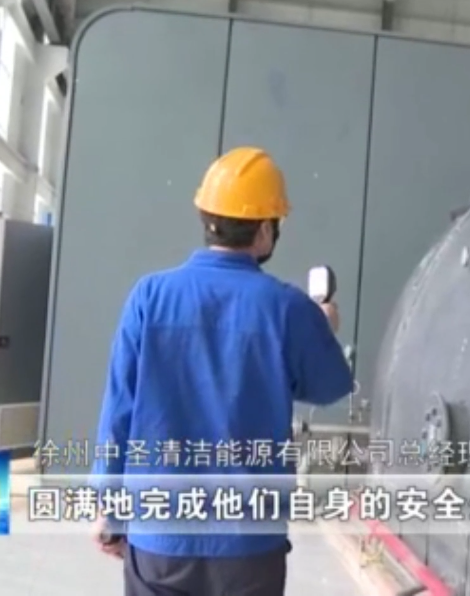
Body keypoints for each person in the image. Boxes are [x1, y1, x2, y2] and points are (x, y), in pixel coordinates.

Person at [89, 146, 355, 596]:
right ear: (265, 229)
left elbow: (119, 411)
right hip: (249, 547)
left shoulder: (149, 297)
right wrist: (323, 326)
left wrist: (108, 509)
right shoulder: (288, 308)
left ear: (207, 216)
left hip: (160, 539)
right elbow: (328, 386)